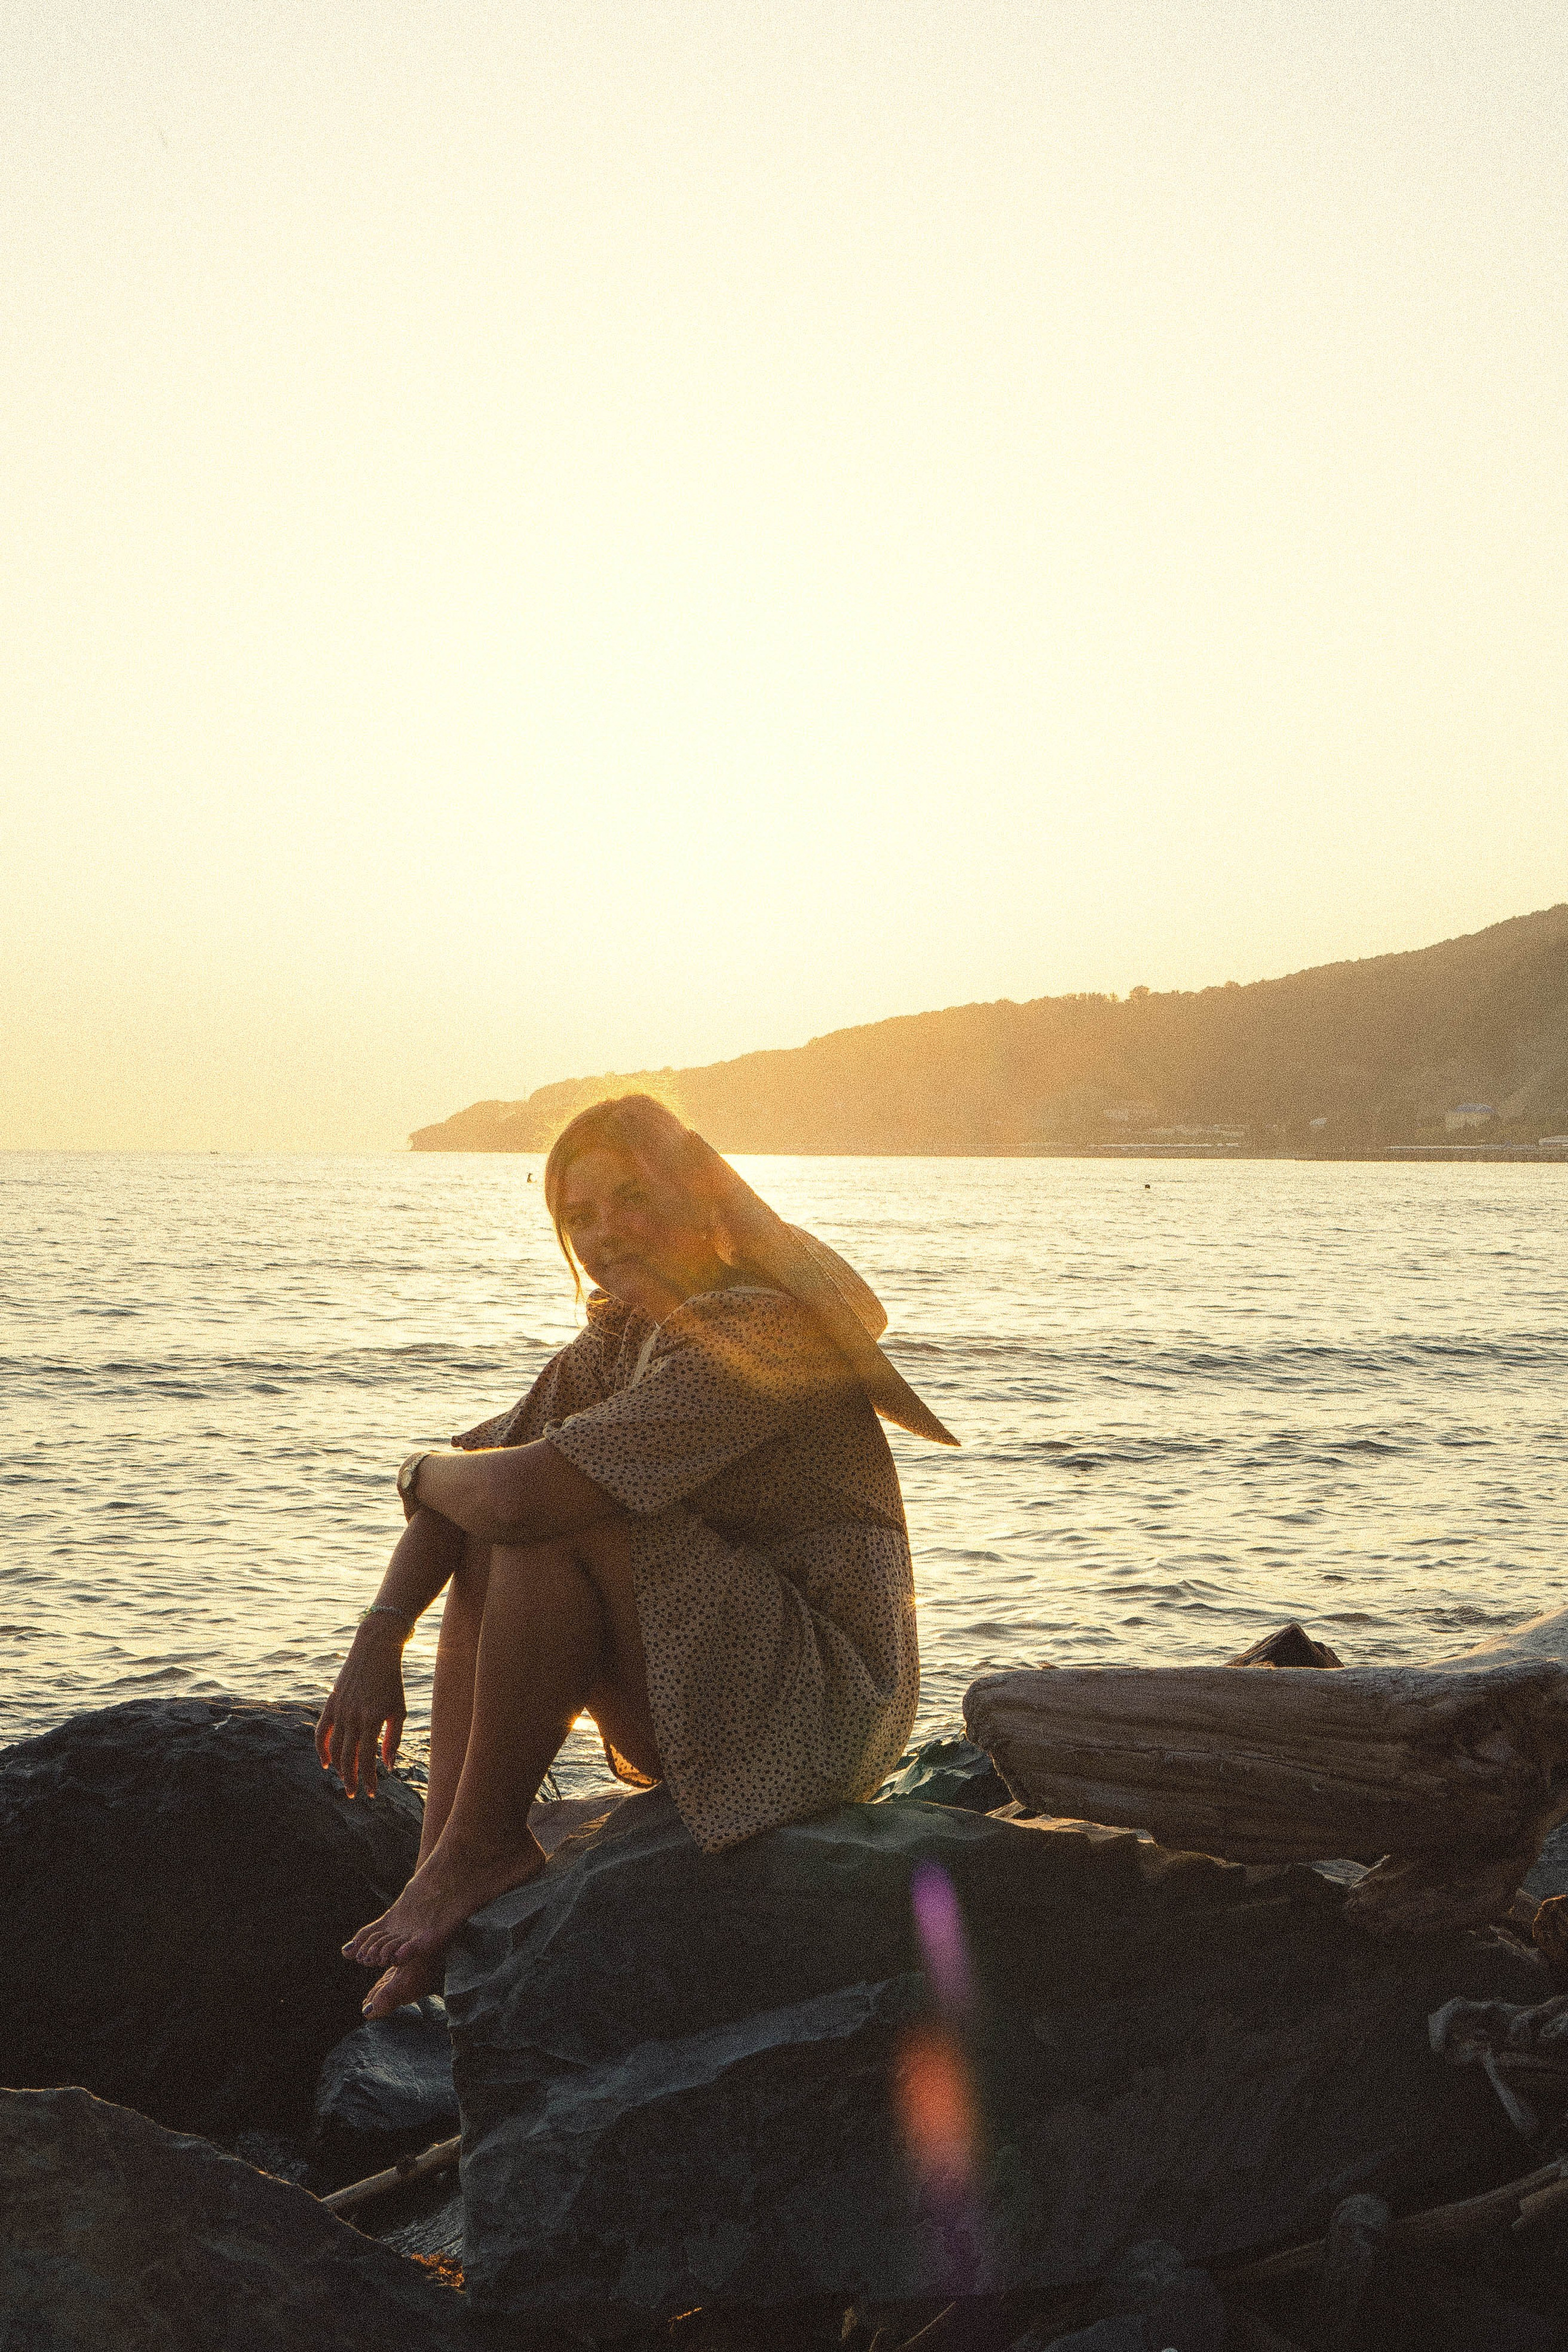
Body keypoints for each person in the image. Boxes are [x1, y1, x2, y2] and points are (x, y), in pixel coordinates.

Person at [317, 1094, 956, 2018]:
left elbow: (519, 1494)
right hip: (711, 1690)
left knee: (548, 1514)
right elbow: (481, 1484)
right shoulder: (614, 1340)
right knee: (504, 1519)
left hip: (824, 1712)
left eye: (634, 1198)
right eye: (580, 1215)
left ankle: (478, 1851)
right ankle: (448, 1867)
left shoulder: (763, 1327)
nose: (605, 1232)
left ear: (700, 1198)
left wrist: (418, 1469)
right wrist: (380, 1635)